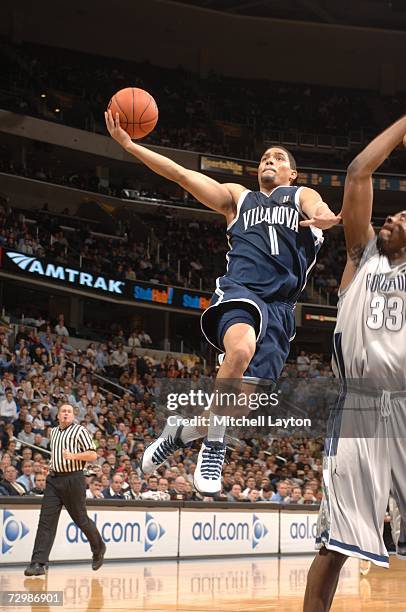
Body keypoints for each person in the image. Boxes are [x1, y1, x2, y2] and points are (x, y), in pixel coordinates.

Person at [105, 110, 340, 496]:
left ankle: (180, 433)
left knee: (241, 407)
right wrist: (131, 145)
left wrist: (325, 218)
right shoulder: (237, 198)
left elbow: (318, 208)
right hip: (241, 293)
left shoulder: (300, 196)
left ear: (291, 174)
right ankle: (214, 445)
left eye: (279, 158)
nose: (270, 160)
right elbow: (181, 175)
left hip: (281, 310)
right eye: (265, 157)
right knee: (241, 348)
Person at [304, 116, 406, 611]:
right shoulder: (361, 257)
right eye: (389, 216)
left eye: (402, 218)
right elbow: (358, 173)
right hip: (359, 410)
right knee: (334, 544)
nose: (390, 219)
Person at [24, 404, 106, 576]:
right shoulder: (53, 432)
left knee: (81, 519)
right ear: (58, 416)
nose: (66, 413)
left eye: (69, 411)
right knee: (46, 521)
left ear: (73, 415)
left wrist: (73, 456)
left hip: (73, 479)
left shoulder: (80, 431)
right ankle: (38, 563)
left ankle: (98, 548)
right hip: (54, 480)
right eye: (63, 411)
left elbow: (93, 455)